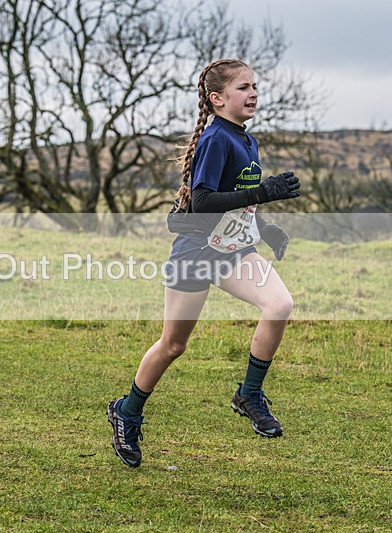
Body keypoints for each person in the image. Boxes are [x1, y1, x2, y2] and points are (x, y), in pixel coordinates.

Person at [107, 59, 301, 467]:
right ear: (217, 98)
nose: (253, 93)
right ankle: (127, 412)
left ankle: (249, 393)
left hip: (233, 251)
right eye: (243, 87)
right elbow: (204, 204)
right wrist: (265, 192)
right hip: (195, 253)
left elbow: (239, 200)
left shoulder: (247, 140)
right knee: (173, 345)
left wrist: (263, 227)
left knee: (280, 304)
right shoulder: (216, 139)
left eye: (254, 86)